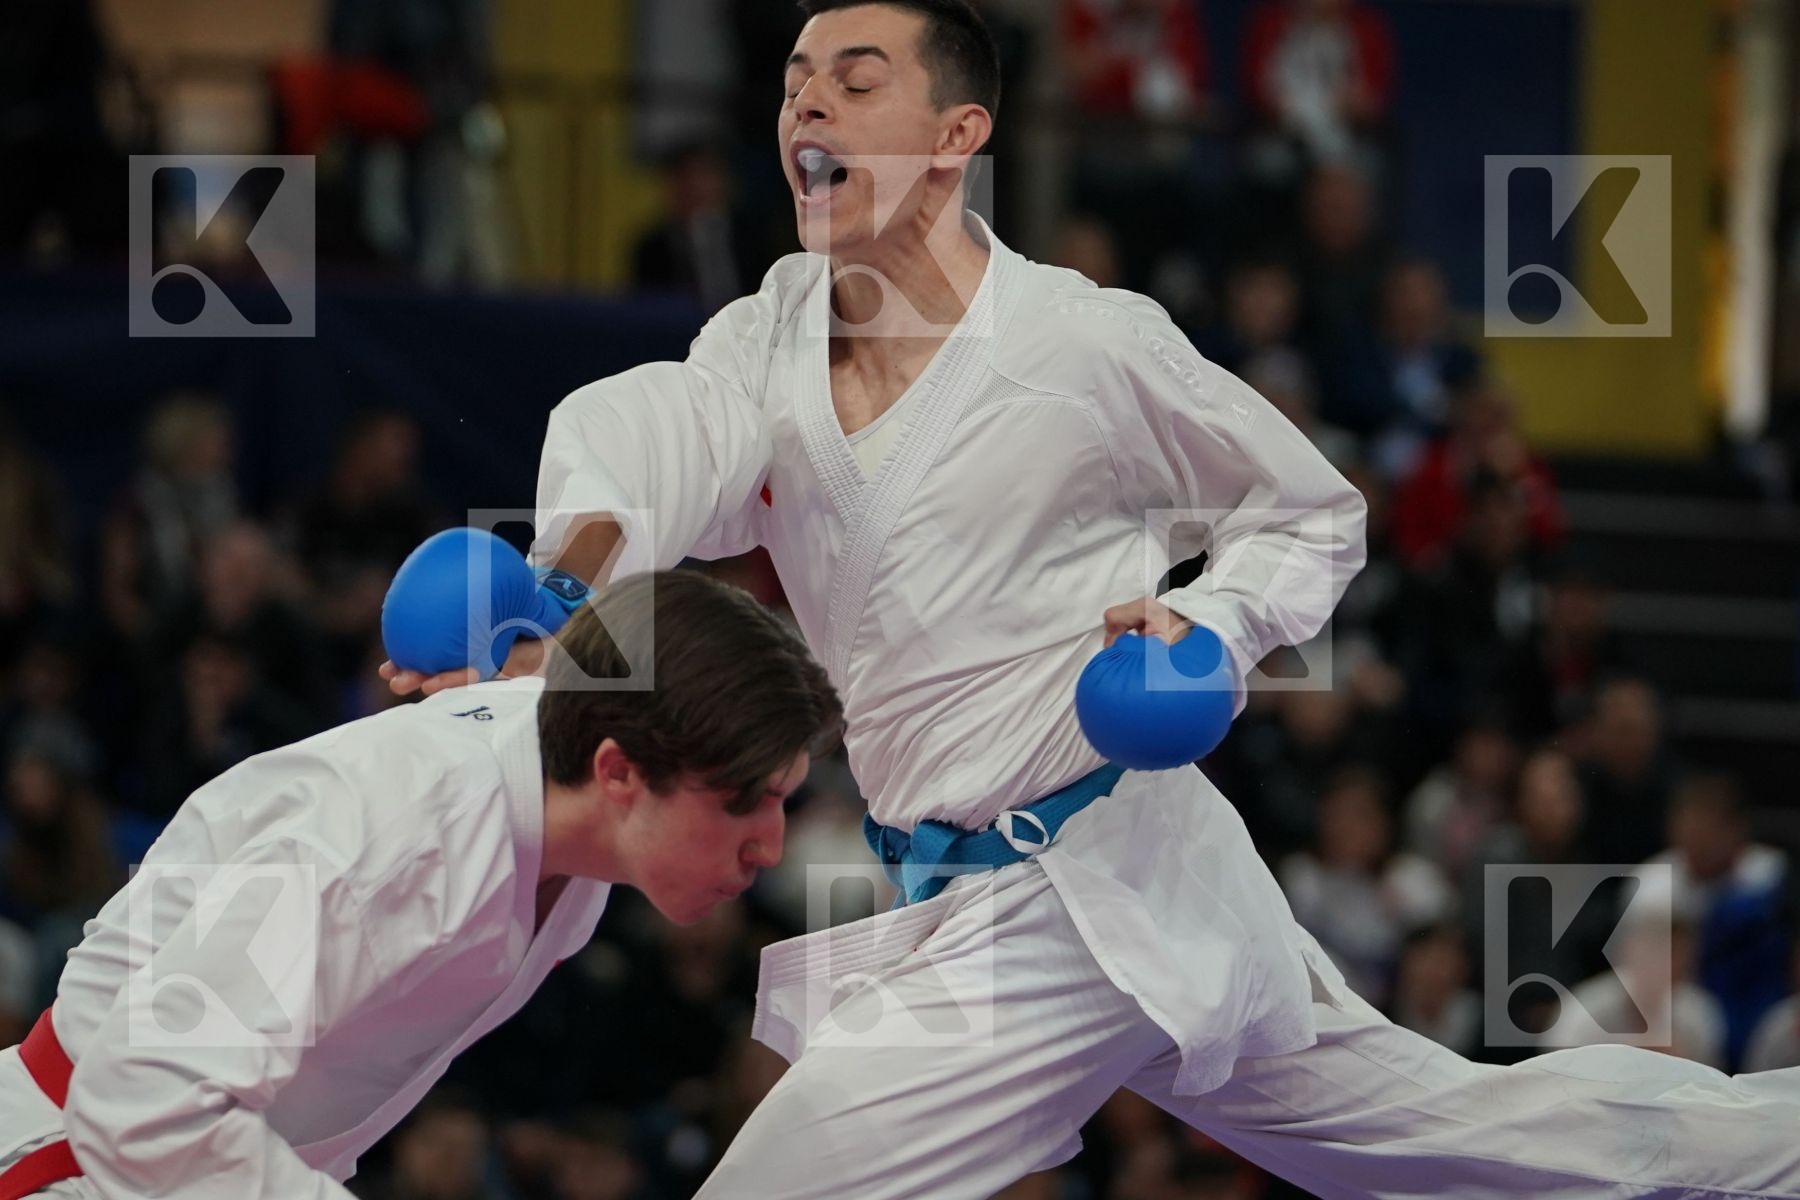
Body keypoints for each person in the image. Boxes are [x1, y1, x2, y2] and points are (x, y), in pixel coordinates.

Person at [384, 2, 1800, 1195]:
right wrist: (552, 584)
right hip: (1053, 889)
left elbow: (1310, 510)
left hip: (1076, 879)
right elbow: (658, 442)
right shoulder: (761, 338)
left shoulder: (1080, 344)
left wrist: (1212, 623)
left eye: (856, 80)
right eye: (796, 80)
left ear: (958, 138)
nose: (808, 101)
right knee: (1442, 1139)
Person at [0, 568, 842, 1199]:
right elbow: (143, 1092)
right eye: (742, 801)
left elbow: (605, 641)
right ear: (619, 773)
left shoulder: (580, 728)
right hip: (74, 1163)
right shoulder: (391, 843)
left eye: (782, 798)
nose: (769, 846)